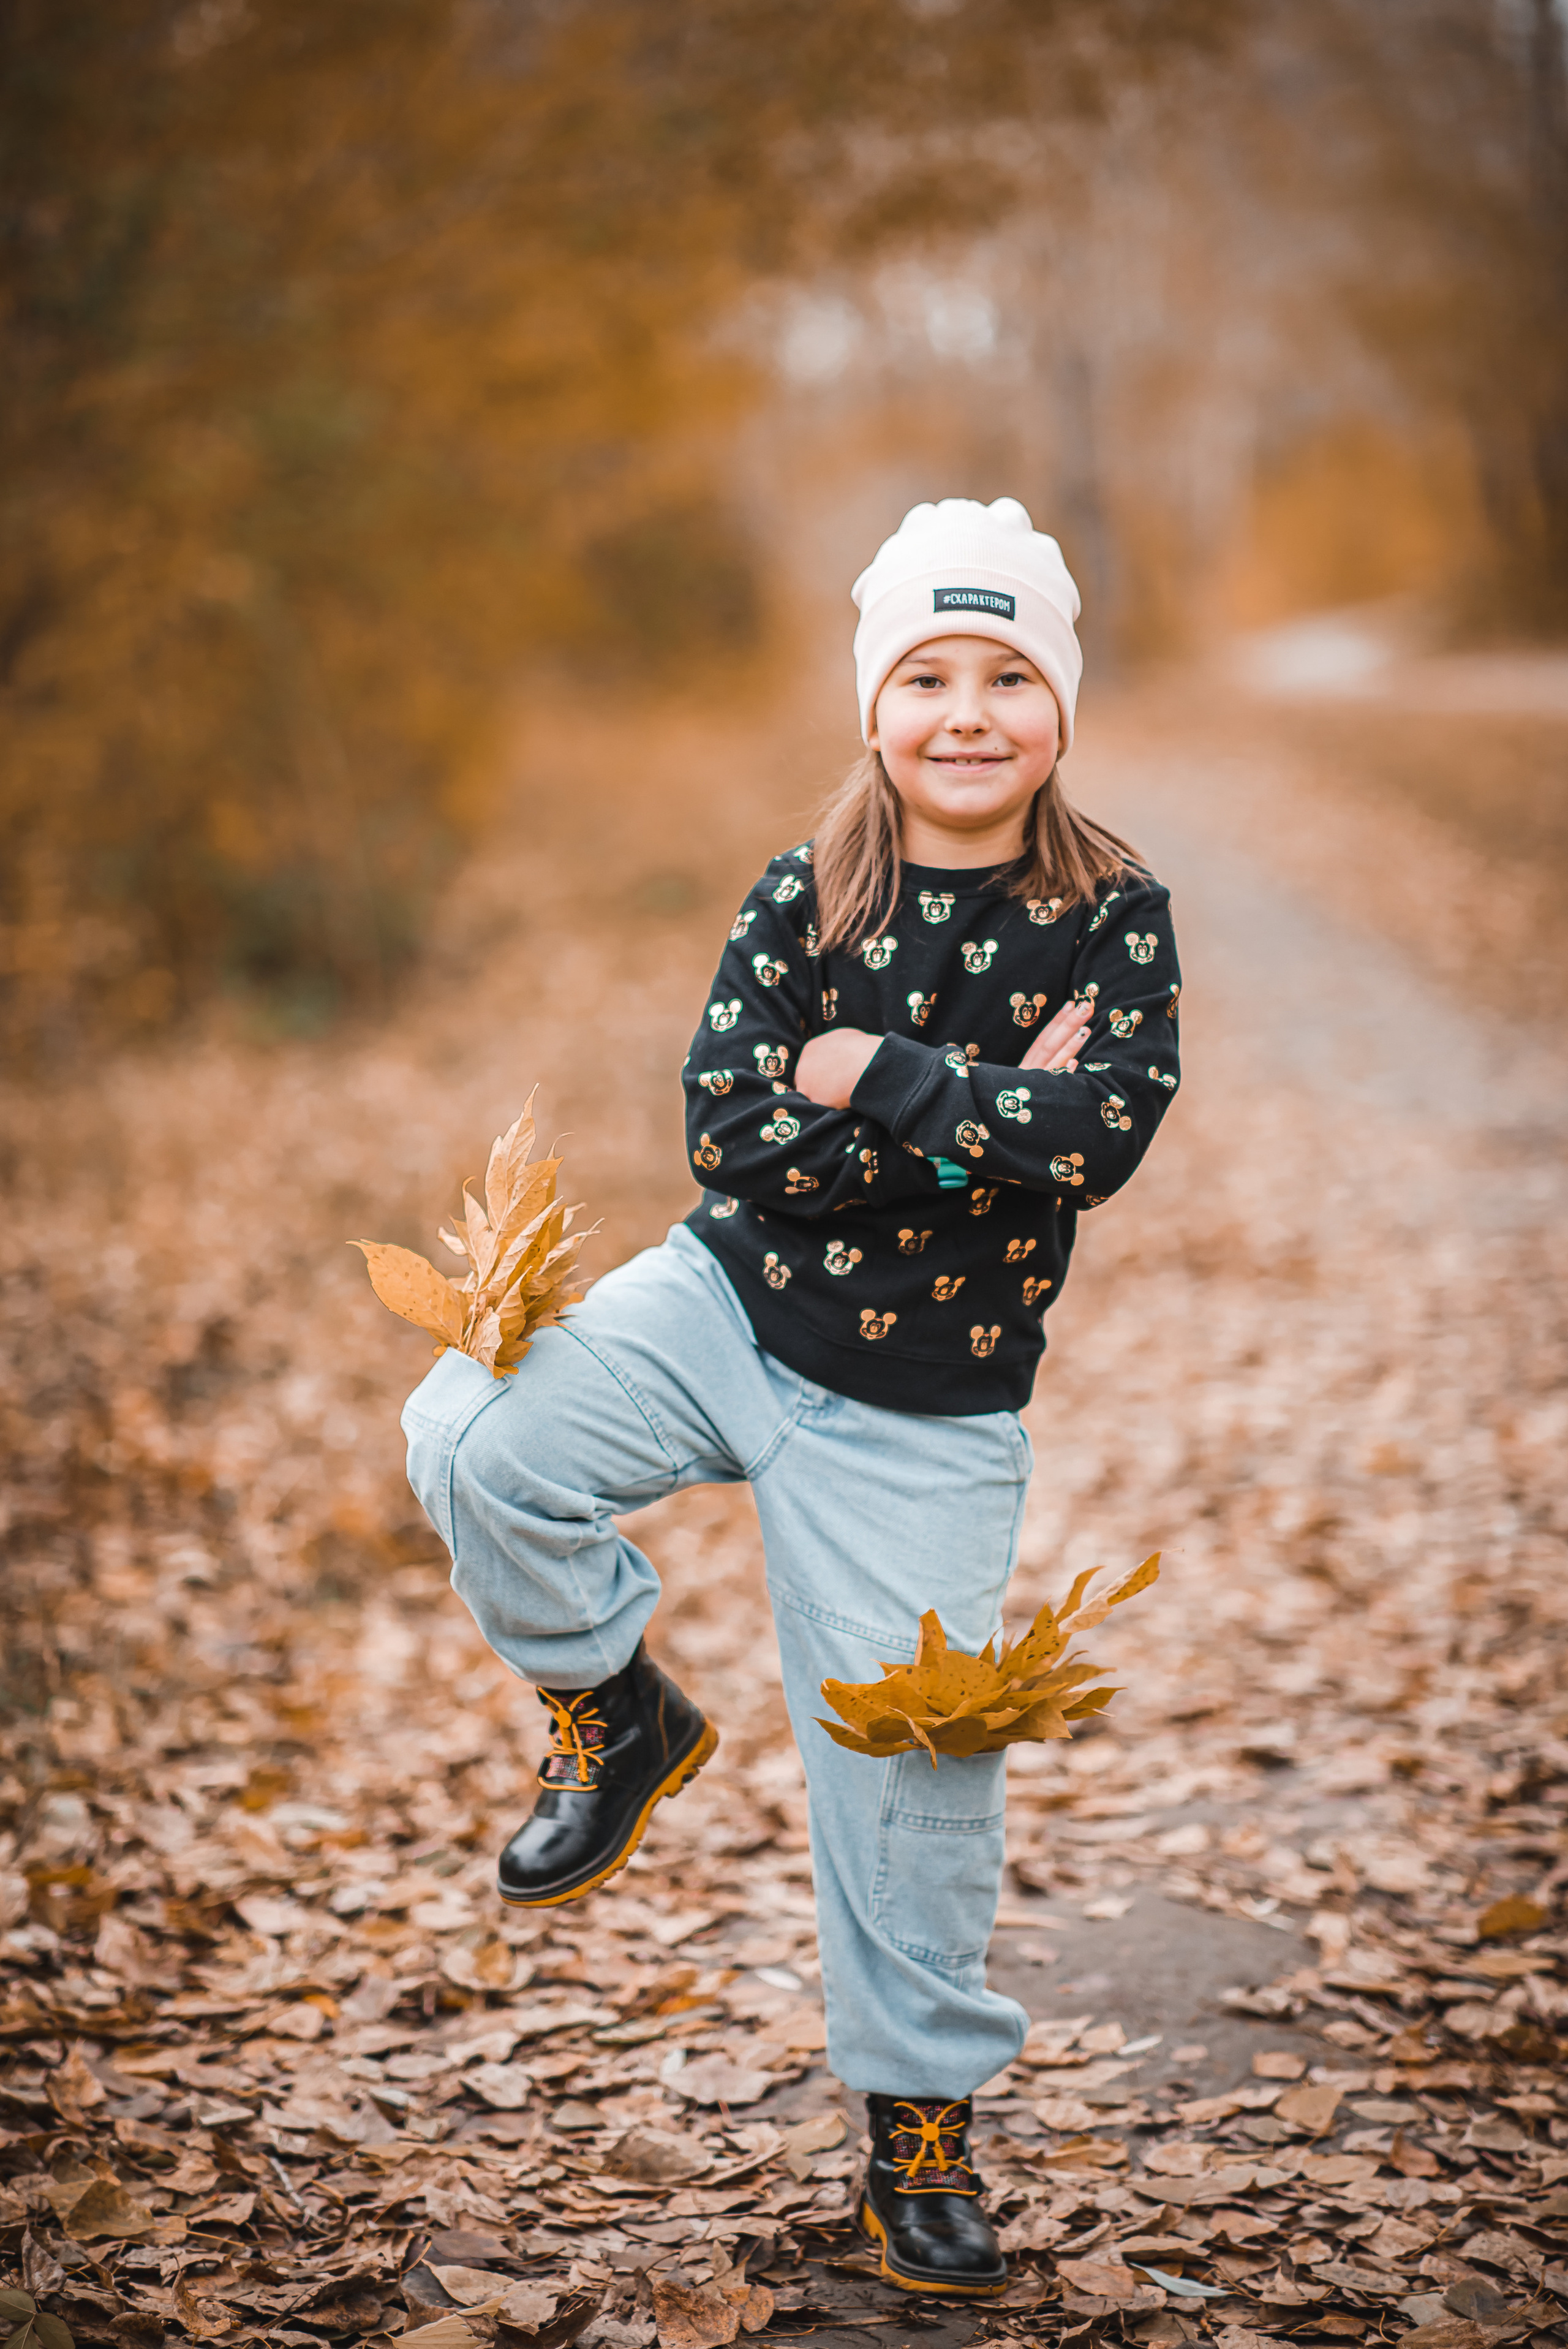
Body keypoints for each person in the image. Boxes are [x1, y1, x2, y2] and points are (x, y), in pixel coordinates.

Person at [401, 496, 1180, 2297]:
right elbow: (730, 1133)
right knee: (468, 1428)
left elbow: (1105, 1135)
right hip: (724, 1303)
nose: (966, 710)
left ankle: (919, 2131)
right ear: (874, 698)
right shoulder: (807, 887)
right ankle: (614, 1708)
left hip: (928, 1401)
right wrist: (980, 1114)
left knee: (911, 1756)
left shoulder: (1111, 915)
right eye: (927, 673)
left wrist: (878, 1070)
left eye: (1007, 674)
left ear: (1060, 702)